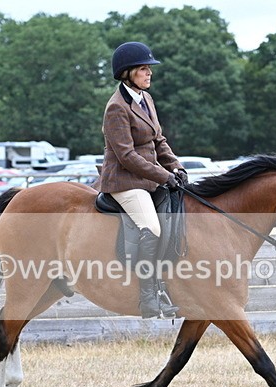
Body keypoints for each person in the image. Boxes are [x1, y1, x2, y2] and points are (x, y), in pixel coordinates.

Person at [92, 41, 188, 319]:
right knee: (152, 227)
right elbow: (126, 156)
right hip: (124, 182)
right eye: (144, 69)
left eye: (149, 69)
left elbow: (159, 140)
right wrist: (164, 175)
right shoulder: (116, 108)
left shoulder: (146, 100)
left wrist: (176, 167)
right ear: (127, 73)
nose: (150, 73)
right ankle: (148, 295)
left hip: (147, 179)